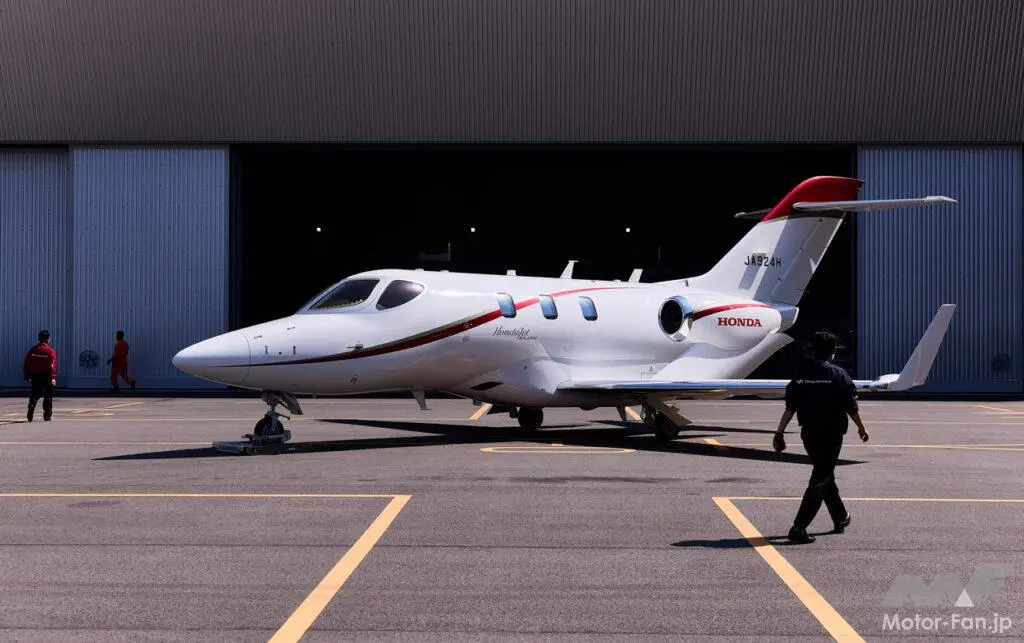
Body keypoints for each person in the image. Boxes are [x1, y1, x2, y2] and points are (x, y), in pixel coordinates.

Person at [773, 330, 869, 544]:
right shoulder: (838, 374)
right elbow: (851, 406)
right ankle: (798, 527)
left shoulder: (801, 375)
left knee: (824, 474)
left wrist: (779, 432)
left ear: (813, 350)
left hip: (809, 435)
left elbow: (790, 407)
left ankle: (840, 517)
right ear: (833, 351)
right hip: (832, 434)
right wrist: (861, 428)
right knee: (821, 477)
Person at [23, 330, 57, 422]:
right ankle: (47, 415)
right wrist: (53, 377)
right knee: (48, 396)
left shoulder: (33, 350)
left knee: (34, 394)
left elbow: (27, 363)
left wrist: (27, 374)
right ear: (48, 339)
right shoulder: (50, 351)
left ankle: (31, 407)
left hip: (35, 375)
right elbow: (52, 365)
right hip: (47, 376)